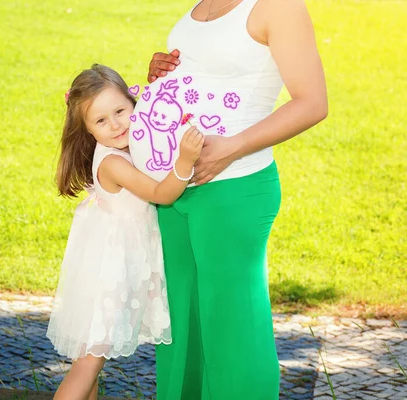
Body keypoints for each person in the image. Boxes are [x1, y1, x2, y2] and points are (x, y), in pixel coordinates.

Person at [136, 0, 328, 398]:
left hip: (233, 187)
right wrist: (162, 74)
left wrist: (233, 147)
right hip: (174, 188)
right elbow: (208, 72)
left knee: (232, 327)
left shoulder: (279, 6)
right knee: (181, 326)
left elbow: (313, 102)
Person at [46, 63, 205, 400]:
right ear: (87, 129)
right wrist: (185, 162)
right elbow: (162, 194)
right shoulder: (114, 163)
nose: (115, 124)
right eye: (101, 120)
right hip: (111, 274)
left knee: (89, 364)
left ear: (135, 103)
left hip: (105, 265)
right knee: (88, 364)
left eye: (120, 111)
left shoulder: (127, 148)